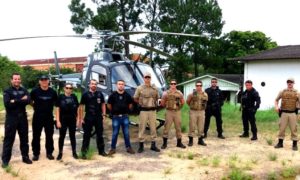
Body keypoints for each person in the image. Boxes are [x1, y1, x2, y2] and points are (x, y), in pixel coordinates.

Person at [2, 73, 32, 168]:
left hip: (22, 118)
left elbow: (28, 100)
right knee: (8, 140)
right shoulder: (7, 91)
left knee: (24, 139)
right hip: (11, 118)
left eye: (18, 79)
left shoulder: (24, 90)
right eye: (15, 79)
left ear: (20, 80)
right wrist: (21, 99)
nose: (17, 80)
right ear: (11, 80)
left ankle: (25, 157)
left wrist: (14, 100)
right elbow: (8, 104)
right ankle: (5, 160)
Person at [77, 79, 107, 159]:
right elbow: (81, 107)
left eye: (95, 84)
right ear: (89, 85)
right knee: (86, 136)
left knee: (100, 135)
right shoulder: (85, 94)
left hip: (98, 117)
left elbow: (103, 104)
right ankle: (84, 153)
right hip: (88, 117)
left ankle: (101, 151)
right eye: (92, 84)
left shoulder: (100, 94)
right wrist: (81, 118)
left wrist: (104, 115)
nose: (94, 85)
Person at [30, 75, 58, 161]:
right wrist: (35, 106)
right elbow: (29, 101)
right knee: (36, 136)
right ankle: (36, 153)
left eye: (45, 80)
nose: (44, 81)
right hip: (37, 116)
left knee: (49, 136)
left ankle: (49, 153)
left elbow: (56, 104)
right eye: (42, 80)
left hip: (49, 117)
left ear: (48, 81)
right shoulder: (34, 91)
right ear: (39, 82)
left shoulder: (53, 92)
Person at [133, 72, 160, 153]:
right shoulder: (139, 88)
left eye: (148, 77)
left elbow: (157, 97)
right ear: (143, 78)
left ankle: (153, 145)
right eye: (146, 77)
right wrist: (141, 103)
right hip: (143, 111)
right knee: (142, 127)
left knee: (153, 128)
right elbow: (135, 98)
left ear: (150, 78)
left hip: (152, 110)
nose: (147, 79)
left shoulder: (155, 88)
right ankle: (141, 145)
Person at [107, 80, 135, 155]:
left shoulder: (127, 95)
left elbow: (130, 105)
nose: (121, 85)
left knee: (126, 133)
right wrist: (114, 111)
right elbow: (109, 105)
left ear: (124, 86)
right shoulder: (112, 95)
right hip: (116, 117)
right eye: (119, 84)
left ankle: (128, 147)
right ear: (117, 85)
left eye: (122, 84)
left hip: (125, 117)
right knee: (115, 133)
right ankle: (113, 148)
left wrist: (126, 110)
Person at [55, 83, 79, 160]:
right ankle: (60, 152)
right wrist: (58, 121)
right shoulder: (60, 97)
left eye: (70, 88)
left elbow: (78, 108)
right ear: (64, 88)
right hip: (63, 119)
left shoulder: (74, 97)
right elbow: (57, 109)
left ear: (72, 89)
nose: (69, 89)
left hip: (72, 119)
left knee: (72, 136)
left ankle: (74, 152)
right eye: (67, 88)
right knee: (62, 136)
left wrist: (78, 119)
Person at [274, 78, 299, 151]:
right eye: (288, 82)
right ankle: (280, 143)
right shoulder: (282, 91)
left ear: (293, 83)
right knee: (281, 128)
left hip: (293, 113)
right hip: (284, 113)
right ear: (287, 83)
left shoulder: (297, 92)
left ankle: (294, 144)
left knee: (294, 129)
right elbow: (276, 100)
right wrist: (276, 106)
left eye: (291, 82)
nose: (289, 83)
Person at [161, 79, 186, 149]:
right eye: (172, 84)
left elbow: (183, 102)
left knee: (178, 127)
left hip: (177, 112)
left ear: (176, 84)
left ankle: (179, 143)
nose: (173, 85)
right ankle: (164, 143)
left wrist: (179, 108)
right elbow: (162, 103)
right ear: (170, 85)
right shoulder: (166, 93)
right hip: (169, 112)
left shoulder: (179, 93)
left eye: (174, 84)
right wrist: (167, 106)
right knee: (166, 127)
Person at [186, 80, 208, 146]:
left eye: (200, 85)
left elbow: (206, 102)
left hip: (201, 111)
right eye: (197, 85)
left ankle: (200, 140)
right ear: (195, 86)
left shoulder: (205, 94)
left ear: (202, 86)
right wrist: (192, 107)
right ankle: (190, 140)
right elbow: (188, 102)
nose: (198, 87)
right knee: (192, 126)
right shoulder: (192, 94)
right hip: (193, 111)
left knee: (201, 126)